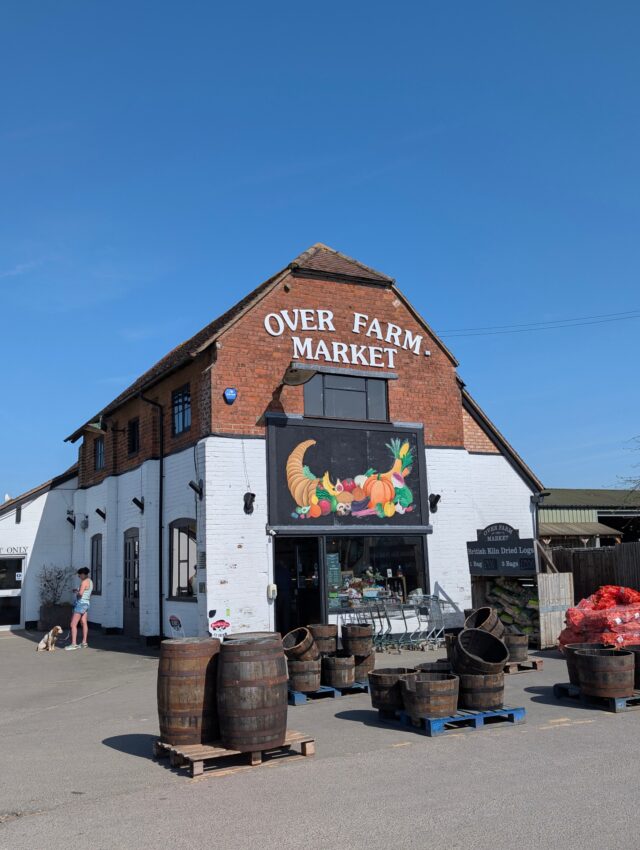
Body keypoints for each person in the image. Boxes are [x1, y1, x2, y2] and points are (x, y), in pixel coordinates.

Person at [65, 567, 93, 650]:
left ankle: (74, 644)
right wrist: (78, 590)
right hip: (86, 603)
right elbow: (88, 592)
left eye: (80, 575)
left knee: (73, 624)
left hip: (80, 604)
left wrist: (77, 593)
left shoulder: (84, 582)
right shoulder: (90, 581)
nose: (79, 577)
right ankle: (84, 642)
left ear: (83, 574)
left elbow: (80, 594)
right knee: (84, 622)